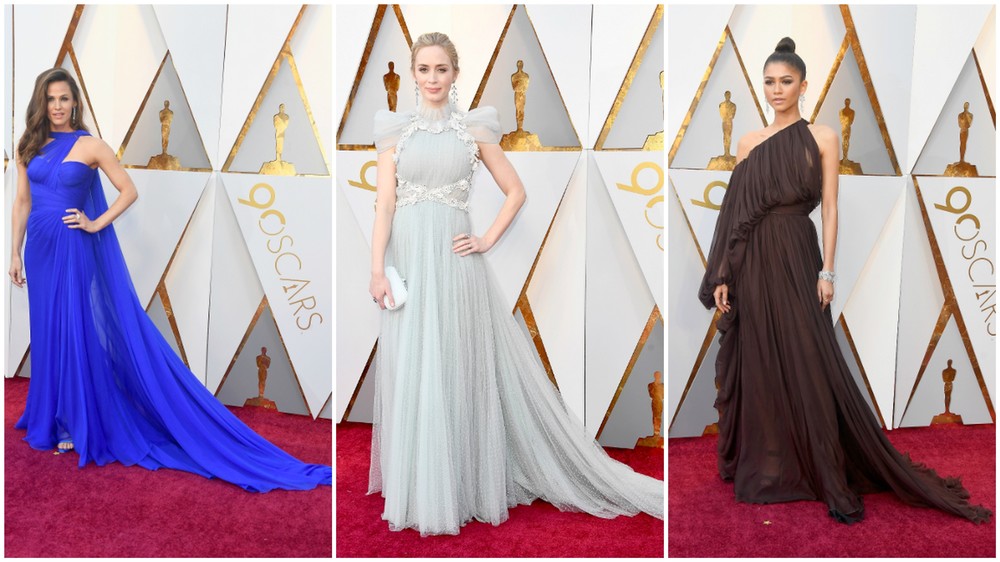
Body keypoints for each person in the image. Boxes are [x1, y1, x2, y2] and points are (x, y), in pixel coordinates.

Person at [367, 32, 663, 536]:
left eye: (442, 69)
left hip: (455, 265)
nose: (433, 78)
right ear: (413, 74)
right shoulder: (394, 131)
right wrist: (377, 270)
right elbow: (386, 205)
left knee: (453, 364)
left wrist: (485, 239)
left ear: (455, 74)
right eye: (424, 69)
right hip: (409, 262)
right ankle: (419, 483)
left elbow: (516, 191)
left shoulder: (473, 129)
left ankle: (460, 483)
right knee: (414, 364)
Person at [697, 37, 991, 524]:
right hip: (754, 263)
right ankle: (770, 466)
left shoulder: (823, 137)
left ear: (803, 86)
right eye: (769, 82)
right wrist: (724, 273)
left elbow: (830, 208)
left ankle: (824, 465)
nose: (776, 90)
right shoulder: (747, 142)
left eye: (786, 81)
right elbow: (734, 214)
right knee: (762, 357)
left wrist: (827, 272)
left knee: (809, 359)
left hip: (798, 254)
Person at [9, 67, 331, 492]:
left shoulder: (91, 145)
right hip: (39, 251)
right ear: (42, 102)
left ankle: (73, 419)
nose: (57, 106)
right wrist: (14, 251)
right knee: (47, 329)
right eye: (50, 99)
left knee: (73, 330)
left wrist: (95, 223)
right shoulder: (29, 145)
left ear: (74, 103)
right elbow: (22, 200)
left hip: (72, 250)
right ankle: (47, 413)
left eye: (64, 98)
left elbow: (128, 191)